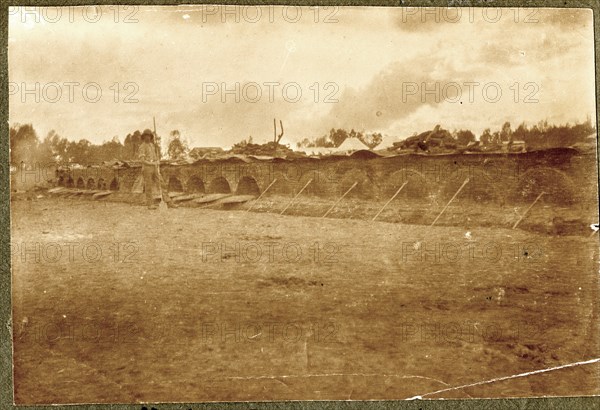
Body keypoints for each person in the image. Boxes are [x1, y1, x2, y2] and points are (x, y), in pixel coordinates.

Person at [138, 129, 177, 210]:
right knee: (148, 186)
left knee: (162, 183)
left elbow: (155, 157)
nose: (147, 137)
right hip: (147, 168)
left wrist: (157, 161)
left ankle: (168, 202)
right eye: (146, 135)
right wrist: (152, 163)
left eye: (149, 136)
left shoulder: (152, 145)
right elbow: (142, 160)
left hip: (155, 168)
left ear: (151, 137)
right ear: (144, 137)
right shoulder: (142, 146)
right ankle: (150, 204)